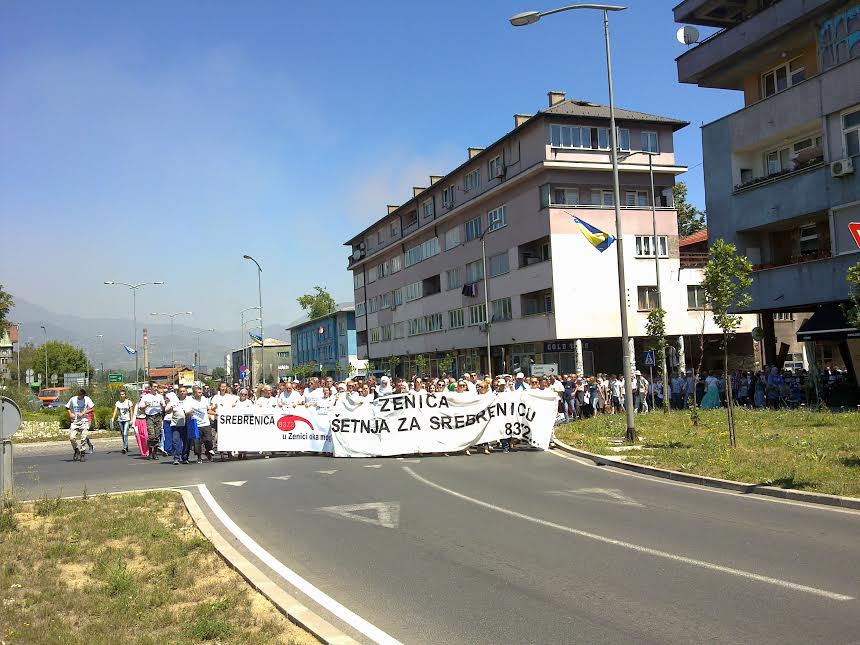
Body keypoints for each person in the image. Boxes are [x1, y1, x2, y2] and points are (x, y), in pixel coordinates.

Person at [66, 388, 94, 462]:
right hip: (75, 421)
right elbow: (67, 407)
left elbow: (92, 409)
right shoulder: (73, 399)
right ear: (78, 394)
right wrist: (70, 414)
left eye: (83, 395)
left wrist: (83, 413)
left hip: (84, 421)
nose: (82, 397)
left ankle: (82, 453)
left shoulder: (87, 399)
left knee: (83, 438)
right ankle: (76, 450)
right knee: (72, 437)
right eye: (81, 395)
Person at [139, 382, 164, 461]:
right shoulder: (146, 397)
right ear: (150, 387)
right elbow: (141, 408)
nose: (156, 388)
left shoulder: (160, 396)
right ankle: (150, 452)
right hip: (150, 416)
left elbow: (163, 407)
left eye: (157, 387)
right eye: (154, 386)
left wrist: (162, 405)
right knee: (151, 435)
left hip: (158, 416)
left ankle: (155, 453)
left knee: (157, 435)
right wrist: (146, 405)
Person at [165, 386, 189, 465]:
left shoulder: (189, 400)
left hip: (186, 424)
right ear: (178, 393)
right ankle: (176, 458)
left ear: (186, 392)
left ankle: (185, 458)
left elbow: (192, 410)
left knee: (186, 442)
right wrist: (171, 408)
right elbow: (167, 411)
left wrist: (187, 412)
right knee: (175, 441)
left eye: (184, 391)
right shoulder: (174, 401)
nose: (182, 393)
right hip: (175, 424)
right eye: (180, 391)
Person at [111, 389, 133, 454]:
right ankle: (126, 446)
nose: (121, 395)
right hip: (120, 420)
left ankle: (124, 447)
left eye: (123, 394)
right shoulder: (118, 403)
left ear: (125, 395)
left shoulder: (129, 402)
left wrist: (132, 420)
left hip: (127, 420)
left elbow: (131, 411)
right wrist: (113, 418)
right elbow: (115, 411)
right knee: (123, 434)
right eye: (120, 394)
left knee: (125, 433)